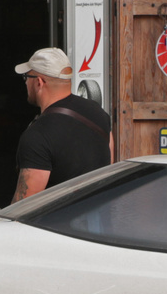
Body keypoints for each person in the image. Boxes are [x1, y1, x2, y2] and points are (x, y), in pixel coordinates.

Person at [11, 48, 113, 203]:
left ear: (39, 82)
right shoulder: (98, 113)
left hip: (55, 224)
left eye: (27, 77)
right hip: (98, 219)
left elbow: (24, 205)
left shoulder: (38, 135)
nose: (25, 82)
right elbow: (108, 163)